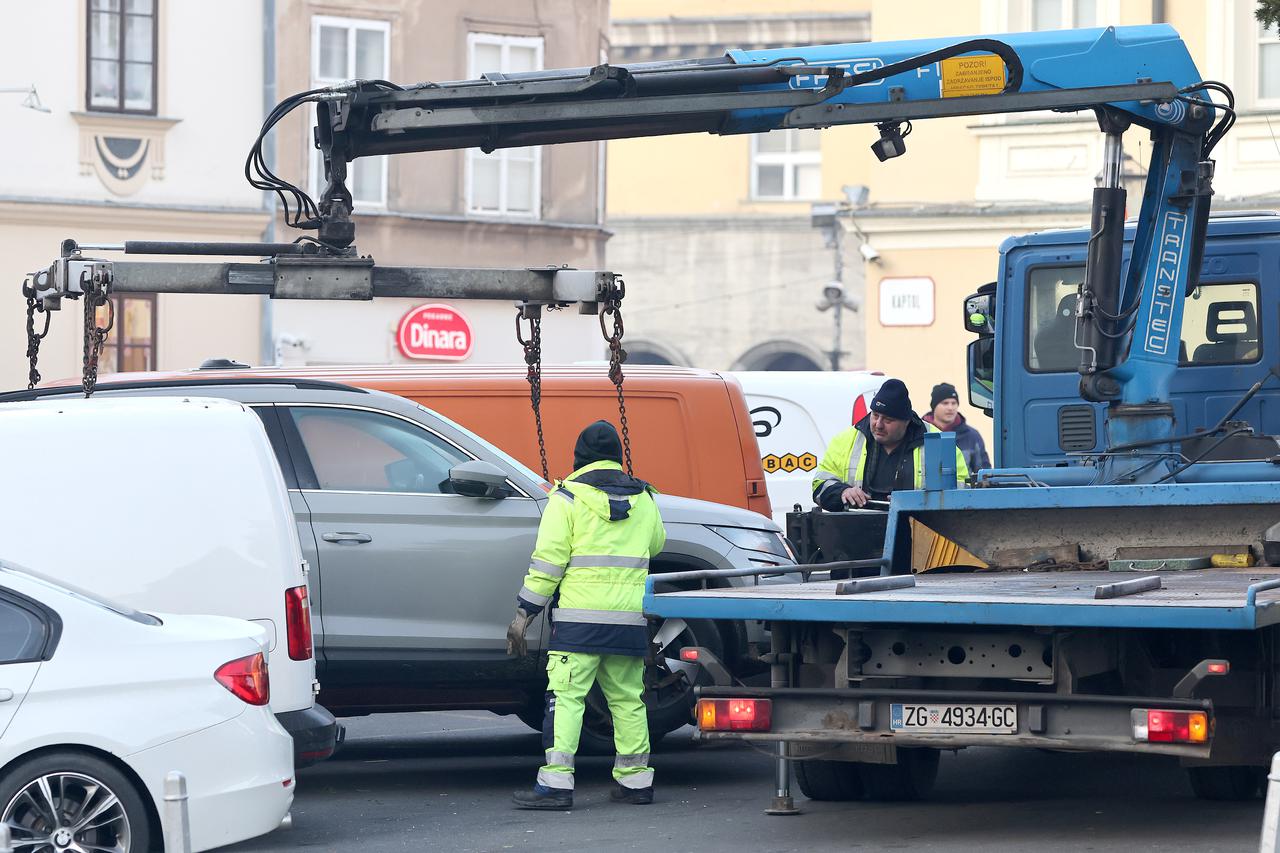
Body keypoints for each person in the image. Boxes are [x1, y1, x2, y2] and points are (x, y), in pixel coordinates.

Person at [507, 420, 666, 811]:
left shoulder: (567, 499)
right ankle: (635, 783)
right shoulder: (645, 498)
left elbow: (548, 563)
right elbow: (657, 544)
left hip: (579, 621)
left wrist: (525, 613)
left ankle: (557, 785)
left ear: (580, 458)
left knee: (566, 698)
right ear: (617, 457)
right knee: (628, 700)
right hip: (628, 620)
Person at [812, 378, 969, 510]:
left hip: (920, 536)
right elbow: (819, 485)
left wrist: (920, 501)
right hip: (856, 536)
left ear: (906, 422)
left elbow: (963, 491)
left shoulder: (939, 442)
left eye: (888, 420)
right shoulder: (846, 440)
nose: (878, 425)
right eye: (875, 415)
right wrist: (842, 492)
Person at [922, 382, 990, 472]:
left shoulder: (972, 436)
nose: (950, 408)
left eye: (954, 403)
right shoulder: (919, 433)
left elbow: (984, 473)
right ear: (934, 406)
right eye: (945, 403)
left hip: (963, 487)